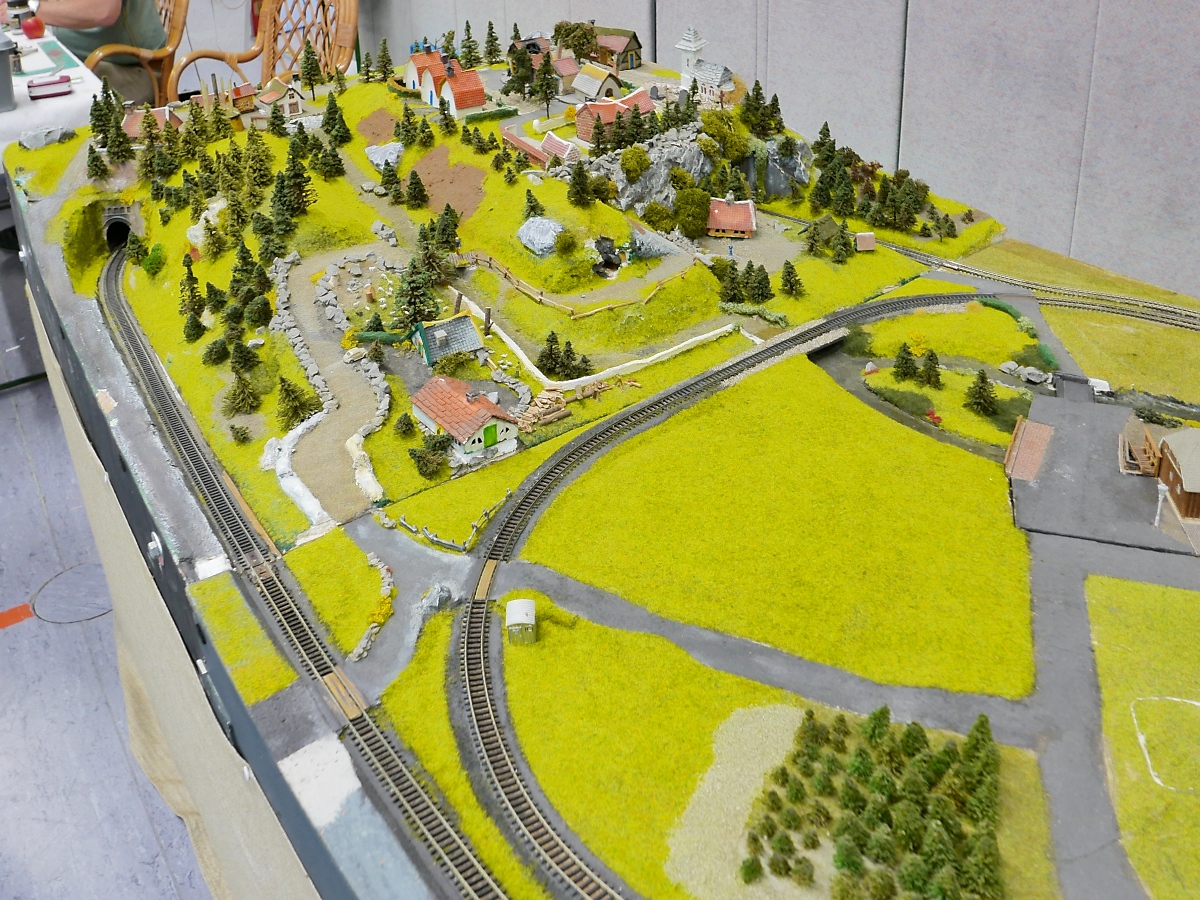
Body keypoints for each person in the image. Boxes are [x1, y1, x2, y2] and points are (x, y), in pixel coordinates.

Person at [3, 0, 167, 106]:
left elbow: (103, 11)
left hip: (136, 71)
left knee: (32, 104)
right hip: (85, 61)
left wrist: (26, 9)